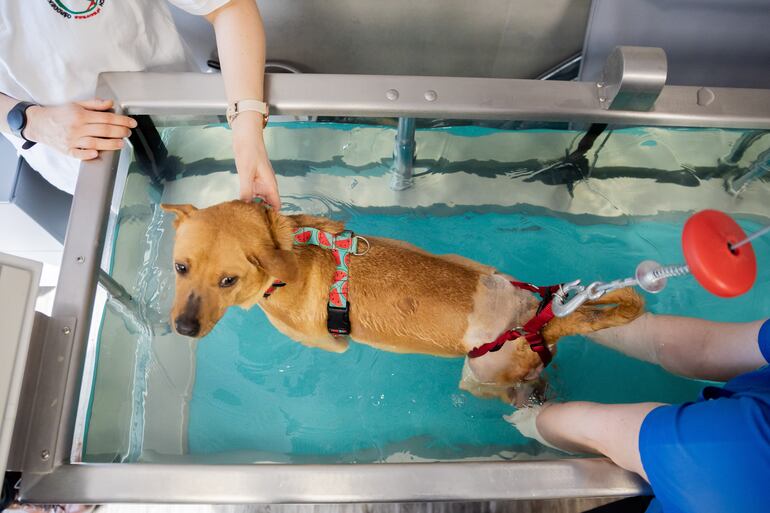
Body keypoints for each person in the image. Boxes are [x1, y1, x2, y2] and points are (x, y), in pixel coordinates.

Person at [0, 0, 280, 210]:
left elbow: (229, 6)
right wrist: (31, 122)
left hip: (188, 119)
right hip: (90, 167)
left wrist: (247, 129)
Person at [508, 313, 770, 513]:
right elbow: (707, 348)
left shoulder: (733, 445)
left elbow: (592, 431)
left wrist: (527, 407)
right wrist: (572, 314)